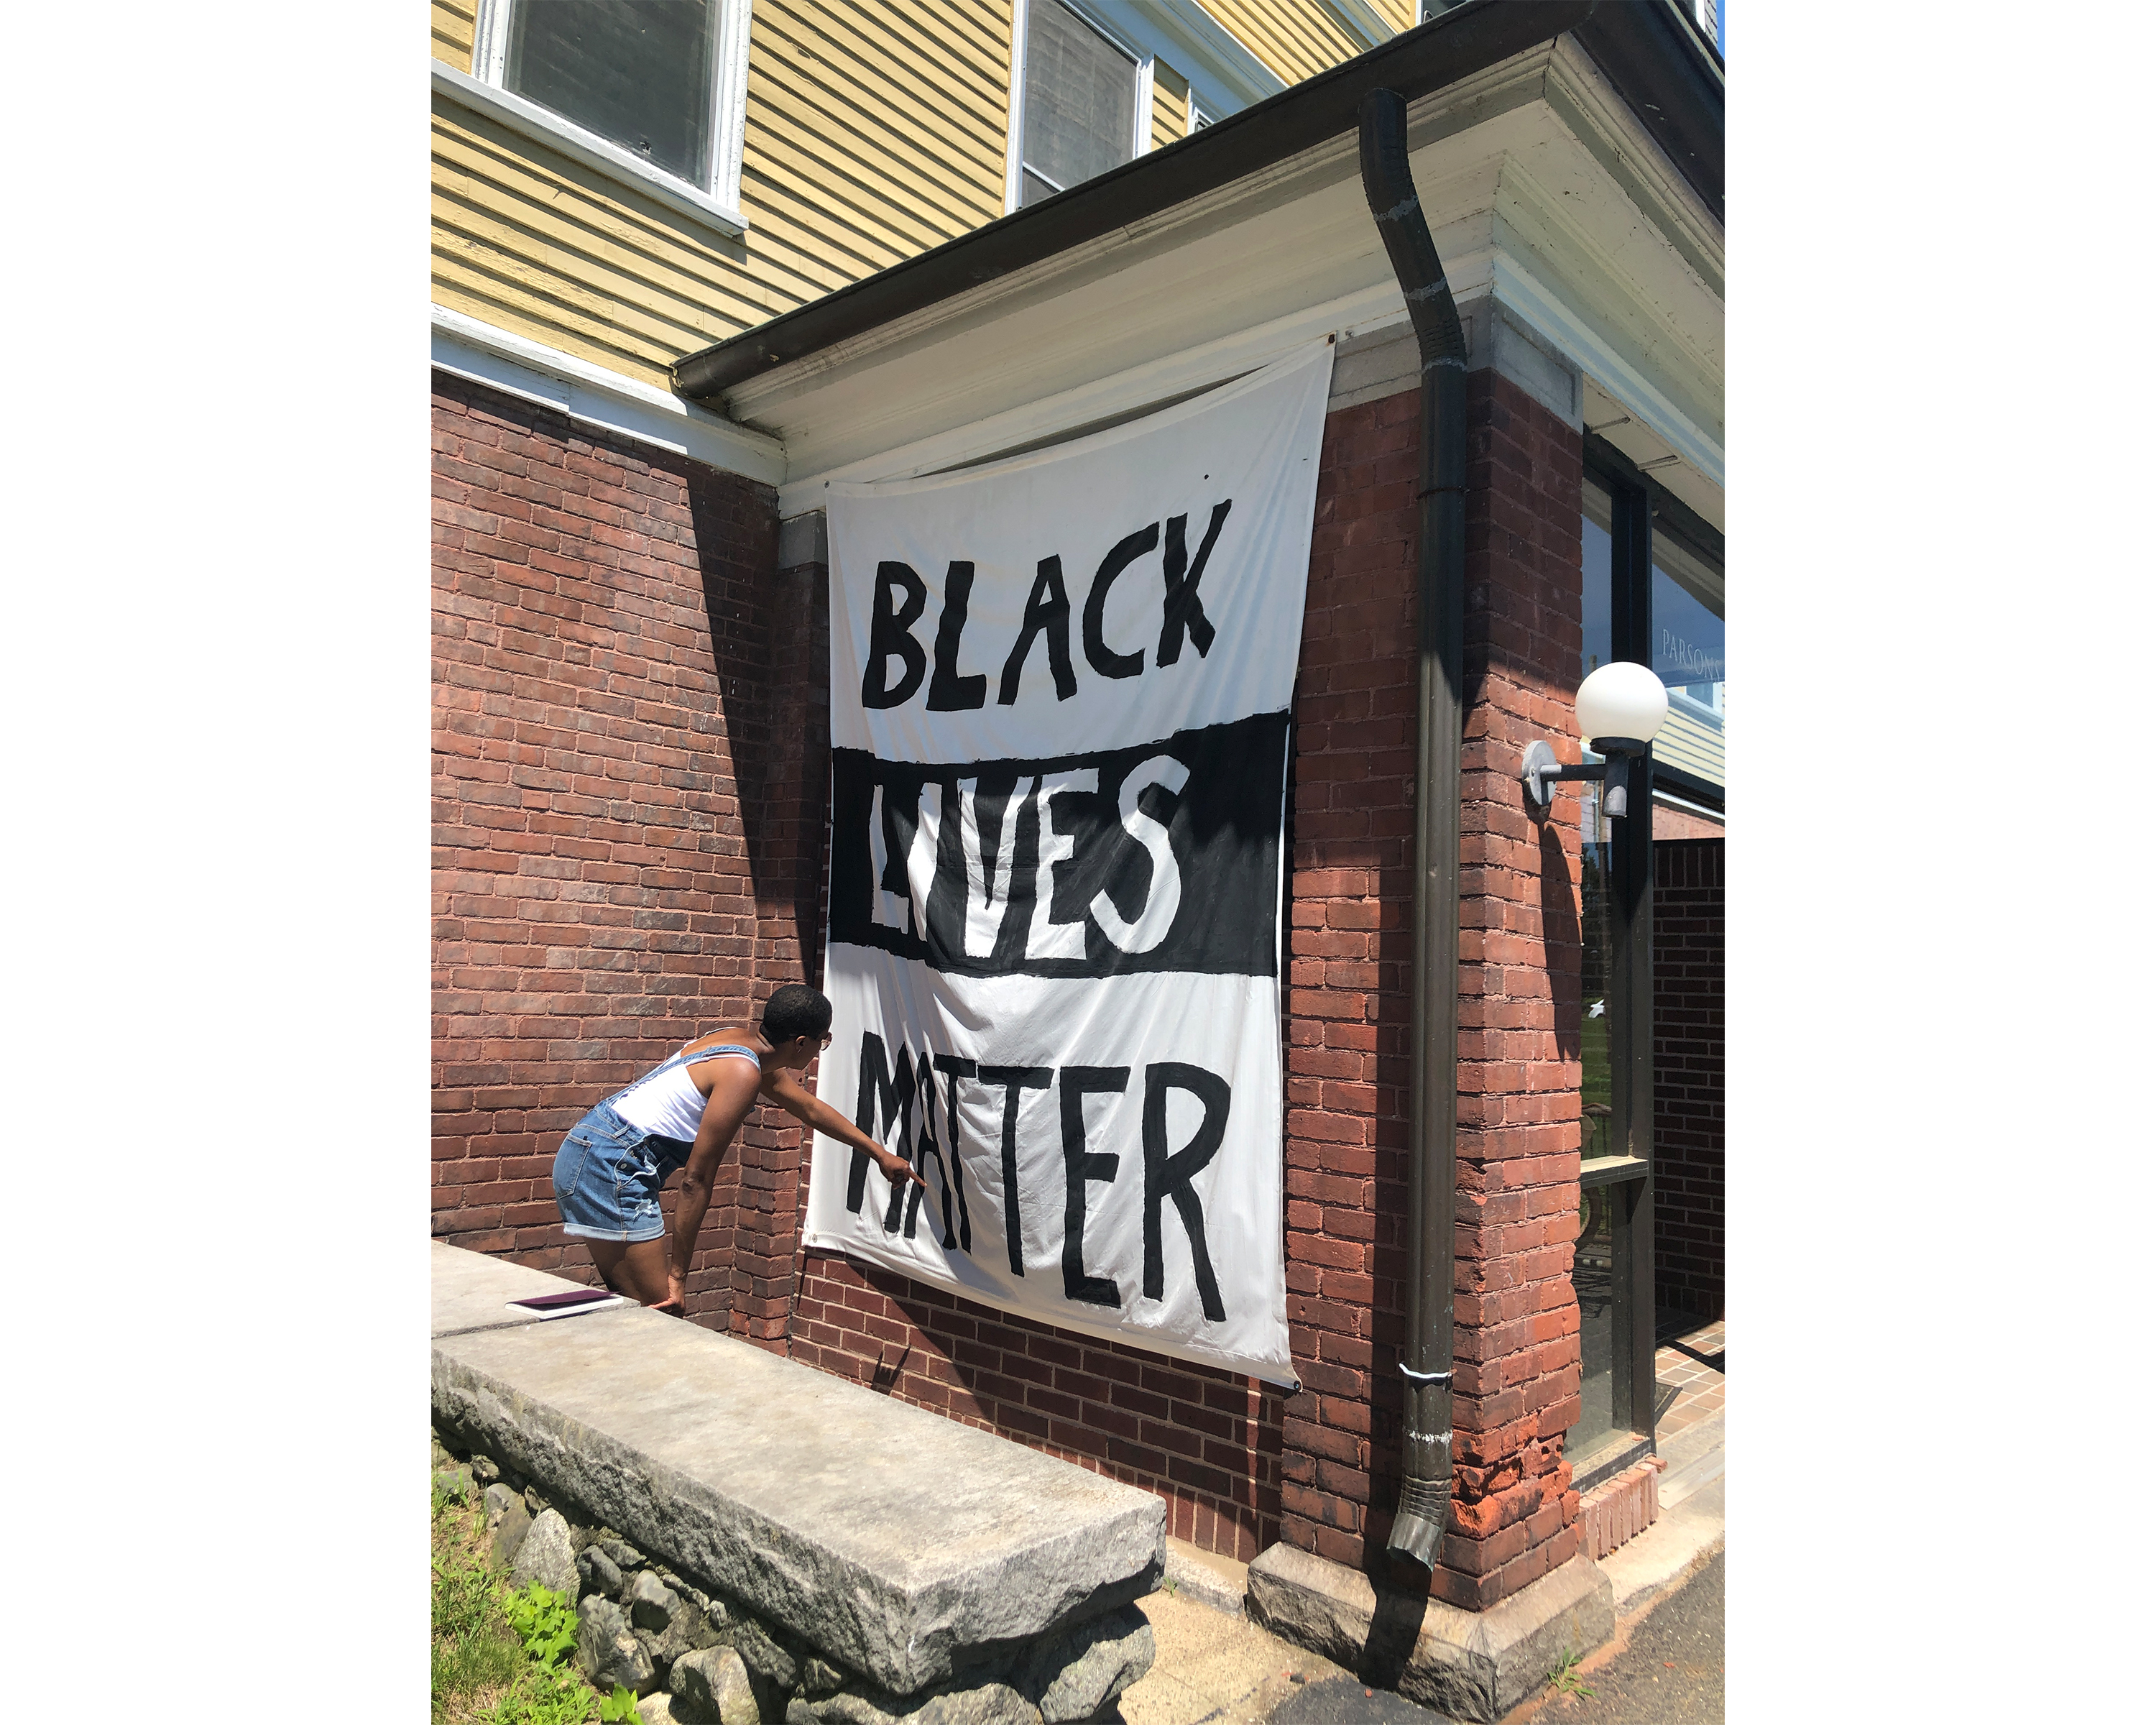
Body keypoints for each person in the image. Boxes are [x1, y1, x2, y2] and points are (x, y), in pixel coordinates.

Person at [550, 983, 921, 1314]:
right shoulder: (743, 1074)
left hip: (585, 1150)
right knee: (661, 1311)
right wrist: (679, 1275)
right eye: (823, 1040)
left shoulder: (738, 1043)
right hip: (612, 1166)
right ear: (801, 1044)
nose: (821, 1048)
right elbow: (696, 1180)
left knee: (633, 1306)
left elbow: (807, 1107)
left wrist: (879, 1153)